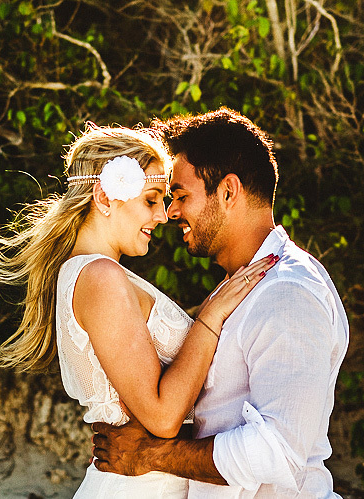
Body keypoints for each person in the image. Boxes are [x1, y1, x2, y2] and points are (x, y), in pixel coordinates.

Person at [0, 124, 276, 497]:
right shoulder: (100, 277)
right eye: (151, 200)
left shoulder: (98, 276)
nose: (164, 215)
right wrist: (209, 317)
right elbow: (163, 416)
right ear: (104, 197)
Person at [91, 108, 350, 497]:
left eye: (180, 196)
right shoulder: (238, 288)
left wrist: (153, 453)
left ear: (228, 192)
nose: (170, 212)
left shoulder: (289, 293)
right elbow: (225, 418)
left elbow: (278, 450)